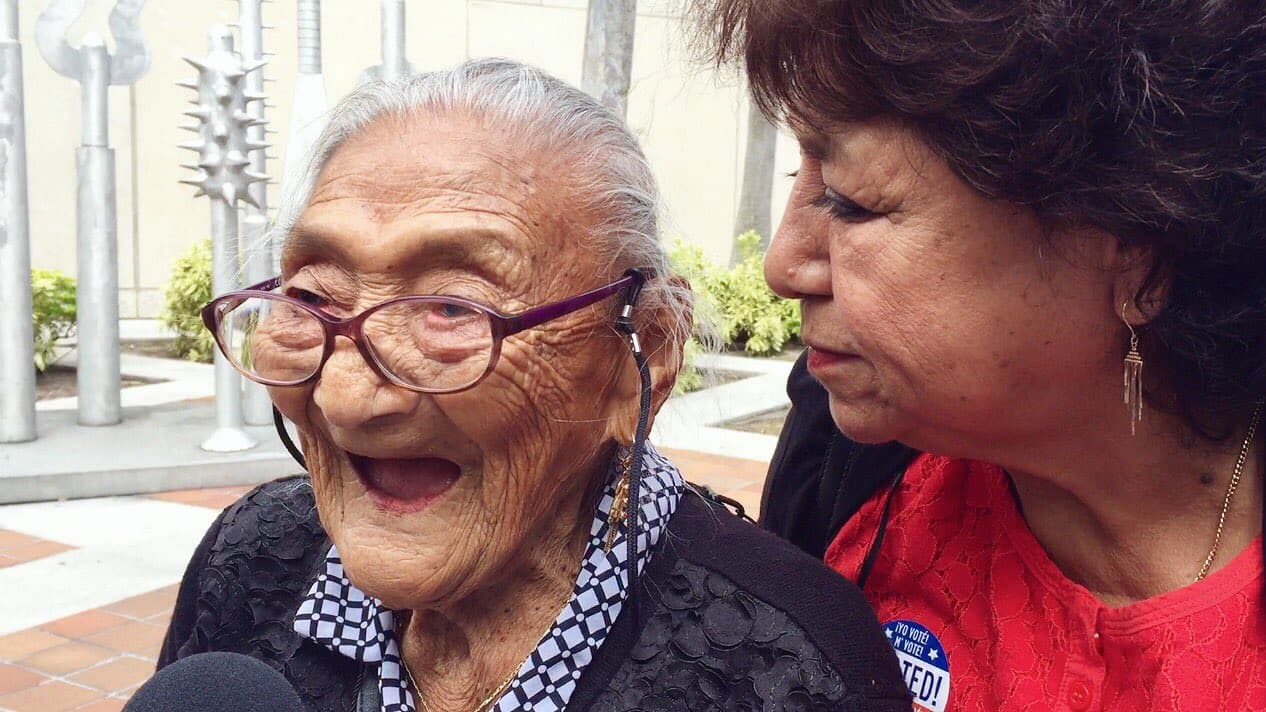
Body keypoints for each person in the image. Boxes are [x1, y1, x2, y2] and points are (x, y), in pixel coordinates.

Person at [155, 59, 911, 712]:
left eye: (452, 308)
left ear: (639, 355)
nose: (346, 397)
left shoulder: (788, 668)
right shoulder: (251, 554)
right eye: (314, 297)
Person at [697, 1, 1266, 709]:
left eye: (851, 202)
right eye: (799, 181)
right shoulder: (848, 469)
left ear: (1134, 242)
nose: (784, 266)